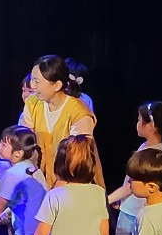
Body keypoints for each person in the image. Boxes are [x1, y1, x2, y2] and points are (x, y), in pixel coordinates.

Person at [106, 101, 162, 235]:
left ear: (151, 125)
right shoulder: (146, 148)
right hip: (130, 208)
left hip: (136, 213)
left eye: (139, 120)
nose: (137, 123)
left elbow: (131, 186)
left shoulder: (152, 155)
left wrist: (106, 200)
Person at [22, 55, 104, 189]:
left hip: (73, 185)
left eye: (37, 81)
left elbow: (79, 160)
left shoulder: (79, 112)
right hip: (41, 181)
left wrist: (56, 192)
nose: (32, 86)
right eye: (32, 80)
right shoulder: (32, 103)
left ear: (57, 85)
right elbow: (25, 141)